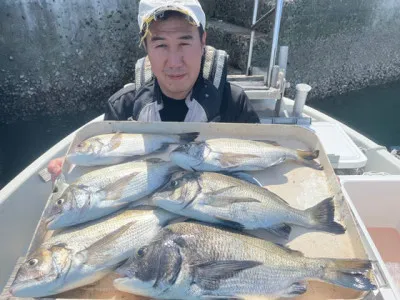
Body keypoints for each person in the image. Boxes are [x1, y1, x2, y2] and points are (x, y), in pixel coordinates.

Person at [48, 0, 260, 179]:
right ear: (146, 47)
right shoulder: (123, 109)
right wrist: (77, 168)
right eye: (161, 45)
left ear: (203, 41)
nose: (175, 62)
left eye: (184, 43)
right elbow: (109, 172)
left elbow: (256, 165)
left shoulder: (234, 103)